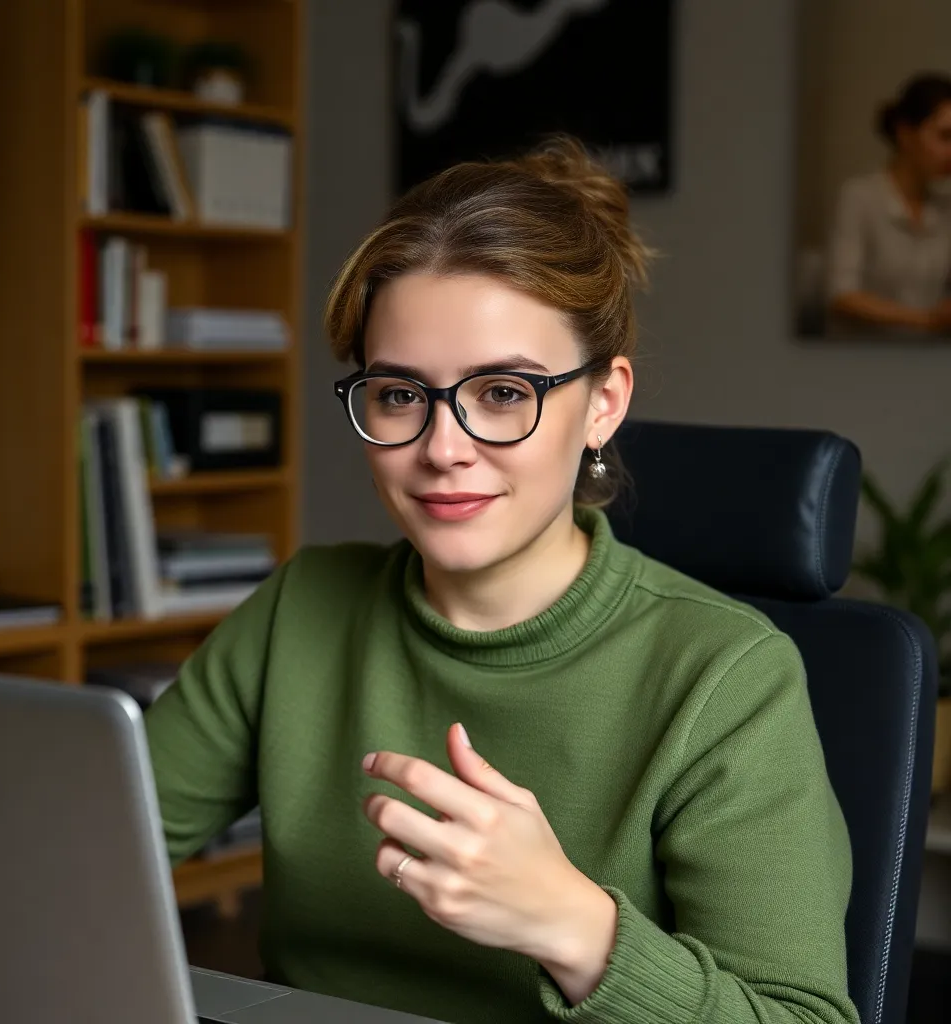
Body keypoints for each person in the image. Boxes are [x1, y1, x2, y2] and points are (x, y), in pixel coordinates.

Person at [144, 136, 859, 1024]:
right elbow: (93, 844)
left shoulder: (727, 677)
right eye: (400, 394)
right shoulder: (303, 608)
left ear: (604, 403)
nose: (444, 449)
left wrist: (573, 925)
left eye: (504, 393)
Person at [827, 73, 951, 336]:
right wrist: (925, 320)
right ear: (906, 134)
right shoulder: (860, 197)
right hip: (862, 362)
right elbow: (842, 295)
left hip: (926, 363)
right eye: (945, 136)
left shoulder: (945, 206)